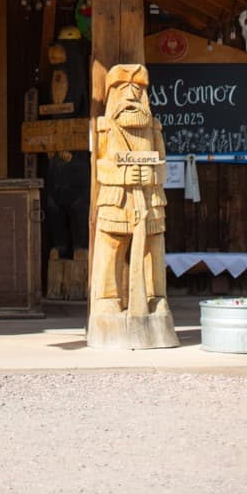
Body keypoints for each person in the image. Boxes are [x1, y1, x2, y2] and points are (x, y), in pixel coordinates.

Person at [91, 63, 169, 317]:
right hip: (116, 199)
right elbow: (99, 166)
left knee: (153, 247)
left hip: (150, 198)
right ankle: (107, 297)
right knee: (111, 243)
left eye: (137, 88)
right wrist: (123, 174)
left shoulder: (153, 127)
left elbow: (162, 165)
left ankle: (156, 297)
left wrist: (153, 174)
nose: (131, 95)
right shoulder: (104, 127)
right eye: (122, 87)